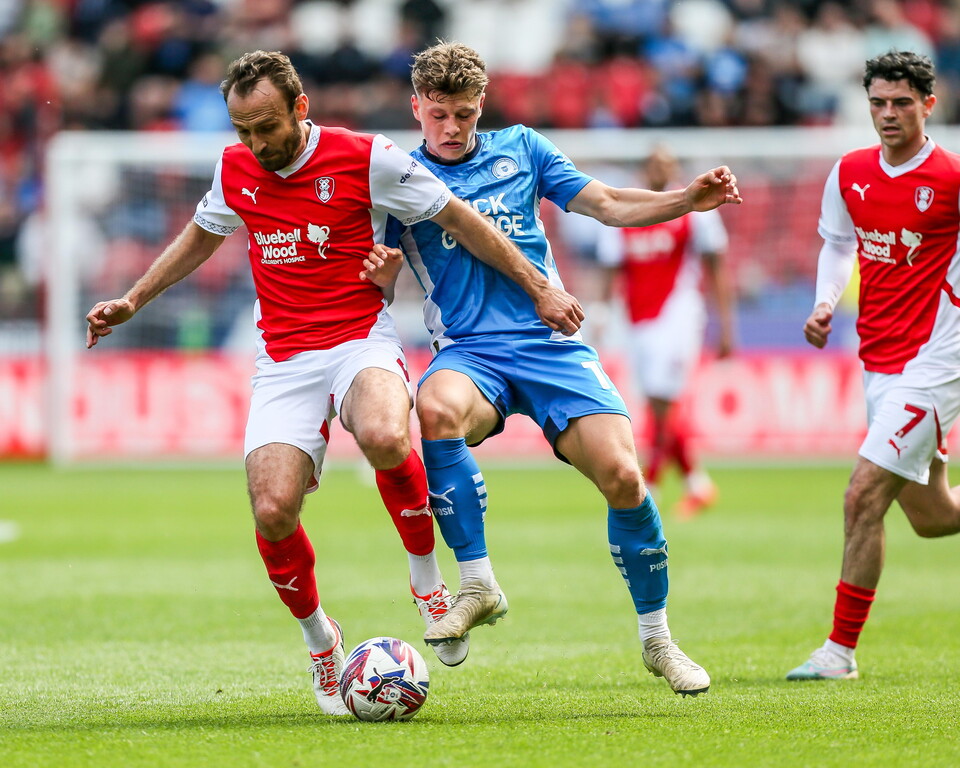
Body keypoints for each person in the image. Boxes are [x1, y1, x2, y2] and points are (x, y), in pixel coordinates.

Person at [84, 50, 585, 715]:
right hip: (284, 357)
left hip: (358, 337)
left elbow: (462, 220)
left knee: (383, 431)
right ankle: (323, 642)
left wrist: (542, 287)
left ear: (300, 107)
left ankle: (427, 580)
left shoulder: (366, 157)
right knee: (271, 510)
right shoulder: (236, 168)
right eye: (243, 131)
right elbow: (202, 235)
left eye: (267, 126)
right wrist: (132, 300)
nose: (257, 144)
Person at [364, 41, 741, 697]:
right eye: (439, 115)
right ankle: (477, 583)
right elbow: (371, 276)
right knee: (436, 408)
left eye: (464, 114)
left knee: (625, 475)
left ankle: (658, 639)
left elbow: (609, 205)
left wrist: (685, 200)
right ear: (416, 107)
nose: (451, 129)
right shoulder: (400, 180)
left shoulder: (524, 149)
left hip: (552, 344)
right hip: (470, 352)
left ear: (481, 106)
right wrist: (381, 275)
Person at [787, 50, 960, 681]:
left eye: (902, 104)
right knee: (931, 515)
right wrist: (824, 302)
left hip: (937, 361)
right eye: (878, 103)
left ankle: (838, 652)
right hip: (879, 360)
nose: (888, 115)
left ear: (928, 106)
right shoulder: (851, 172)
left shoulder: (950, 177)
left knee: (862, 496)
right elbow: (837, 244)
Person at [596, 144, 736, 519]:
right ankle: (697, 484)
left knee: (664, 402)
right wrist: (600, 314)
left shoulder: (697, 209)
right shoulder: (628, 212)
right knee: (657, 406)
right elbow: (609, 269)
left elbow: (717, 267)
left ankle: (652, 486)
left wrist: (726, 325)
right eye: (656, 163)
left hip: (678, 316)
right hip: (636, 320)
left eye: (669, 164)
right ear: (646, 170)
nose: (663, 169)